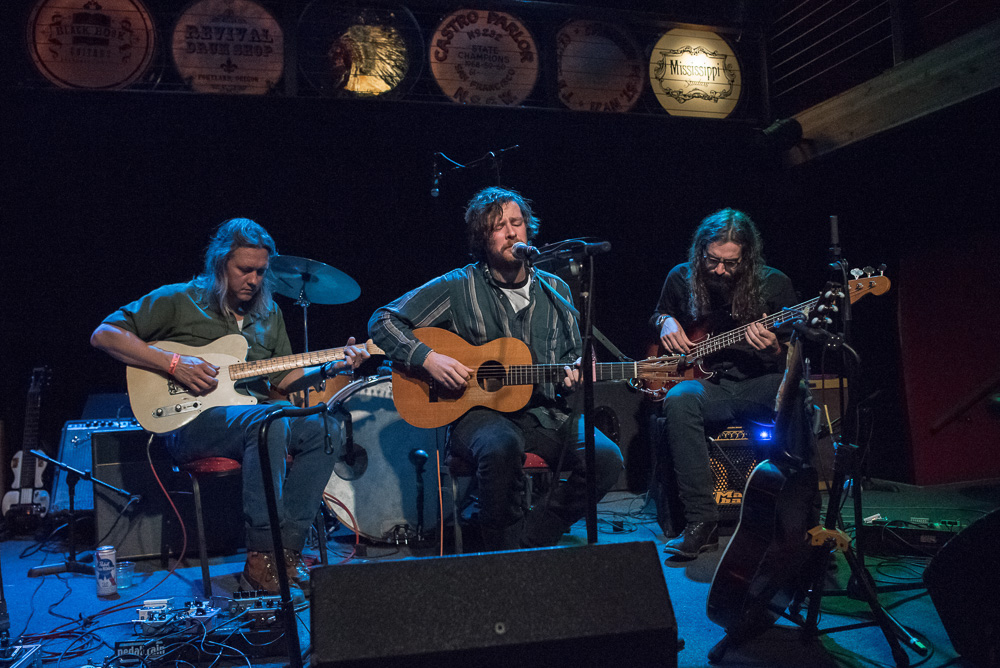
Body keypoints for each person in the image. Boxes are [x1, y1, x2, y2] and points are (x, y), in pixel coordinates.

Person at [91, 218, 369, 596]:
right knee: (269, 419)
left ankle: (286, 553)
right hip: (188, 423)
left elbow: (283, 380)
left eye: (260, 272)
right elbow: (105, 334)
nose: (253, 280)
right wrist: (173, 364)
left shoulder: (268, 315)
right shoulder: (179, 299)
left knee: (325, 428)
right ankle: (260, 558)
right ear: (221, 264)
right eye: (244, 270)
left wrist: (329, 367)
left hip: (249, 416)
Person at [369, 187, 623, 551]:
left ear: (529, 230)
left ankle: (531, 537)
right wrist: (428, 358)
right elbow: (384, 321)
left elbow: (573, 356)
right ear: (481, 238)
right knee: (501, 446)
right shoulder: (459, 285)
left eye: (516, 223)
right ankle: (500, 549)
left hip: (546, 414)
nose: (510, 232)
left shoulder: (558, 291)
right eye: (497, 227)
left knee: (607, 459)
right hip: (478, 416)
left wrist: (579, 370)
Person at [650, 208, 815, 559]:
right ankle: (701, 522)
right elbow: (659, 312)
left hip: (762, 382)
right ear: (700, 252)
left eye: (731, 263)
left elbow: (793, 357)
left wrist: (774, 348)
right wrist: (664, 320)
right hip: (712, 386)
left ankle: (801, 520)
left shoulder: (774, 283)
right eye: (712, 261)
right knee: (679, 399)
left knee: (798, 393)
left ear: (747, 256)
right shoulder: (681, 278)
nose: (721, 270)